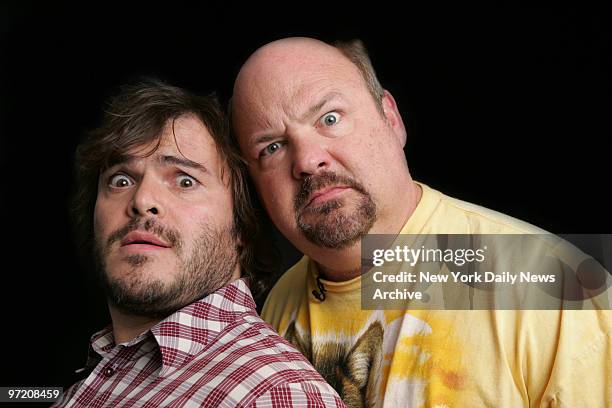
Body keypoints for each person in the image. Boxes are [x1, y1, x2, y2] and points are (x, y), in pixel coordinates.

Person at [230, 37, 612, 407]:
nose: (308, 160)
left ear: (391, 119)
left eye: (329, 118)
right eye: (272, 148)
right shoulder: (276, 306)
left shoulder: (557, 287)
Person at [53, 79, 346, 408]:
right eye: (121, 180)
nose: (142, 199)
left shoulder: (275, 394)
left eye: (184, 180)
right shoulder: (100, 370)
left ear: (241, 228)